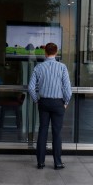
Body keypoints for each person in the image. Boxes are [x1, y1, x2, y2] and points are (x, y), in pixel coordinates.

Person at [27, 42, 72, 170]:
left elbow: (30, 88)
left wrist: (37, 100)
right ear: (56, 52)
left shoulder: (38, 68)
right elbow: (68, 90)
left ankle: (40, 163)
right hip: (58, 103)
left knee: (42, 131)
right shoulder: (62, 67)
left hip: (44, 102)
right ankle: (57, 163)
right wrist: (66, 103)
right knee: (57, 133)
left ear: (45, 53)